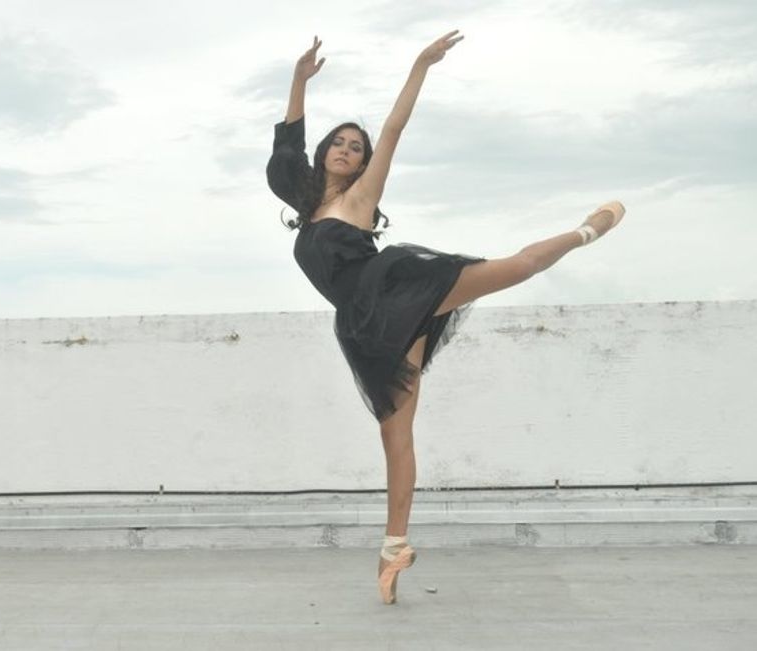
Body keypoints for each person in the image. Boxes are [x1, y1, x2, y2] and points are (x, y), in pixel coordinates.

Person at [266, 32, 625, 605]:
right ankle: (392, 551)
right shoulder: (304, 201)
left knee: (518, 266)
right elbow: (287, 146)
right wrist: (299, 81)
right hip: (368, 327)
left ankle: (587, 230)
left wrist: (419, 66)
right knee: (394, 435)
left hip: (399, 289)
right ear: (324, 153)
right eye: (339, 142)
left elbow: (392, 130)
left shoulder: (358, 200)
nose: (347, 149)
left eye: (354, 147)